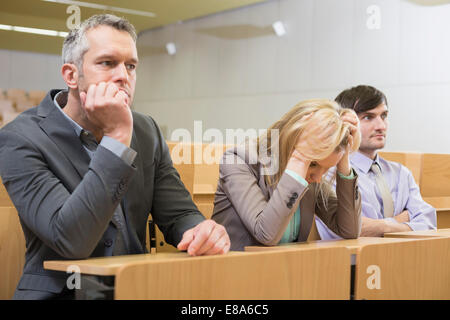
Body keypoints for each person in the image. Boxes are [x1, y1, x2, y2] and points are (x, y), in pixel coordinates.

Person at [0, 14, 230, 300]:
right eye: (107, 63)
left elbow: (178, 213)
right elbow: (71, 240)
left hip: (133, 289)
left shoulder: (146, 129)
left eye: (131, 66)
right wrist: (117, 138)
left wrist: (201, 231)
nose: (124, 76)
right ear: (71, 75)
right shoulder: (20, 138)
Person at [211, 99, 362, 251]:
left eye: (326, 169)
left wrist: (343, 157)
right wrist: (301, 158)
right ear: (291, 138)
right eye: (313, 164)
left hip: (286, 269)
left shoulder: (313, 176)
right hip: (236, 269)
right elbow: (266, 234)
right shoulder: (238, 160)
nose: (318, 178)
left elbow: (350, 230)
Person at [316, 85, 436, 240]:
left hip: (403, 258)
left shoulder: (401, 173)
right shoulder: (328, 175)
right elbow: (346, 230)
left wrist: (379, 226)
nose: (381, 126)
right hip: (353, 262)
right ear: (344, 123)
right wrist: (400, 220)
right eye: (368, 117)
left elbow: (428, 223)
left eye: (384, 116)